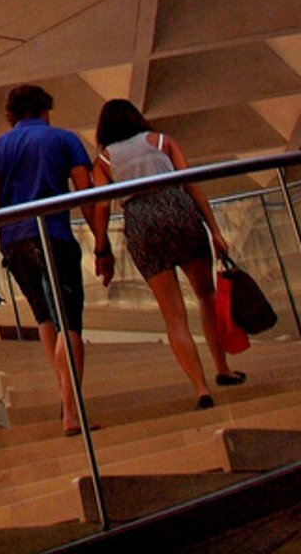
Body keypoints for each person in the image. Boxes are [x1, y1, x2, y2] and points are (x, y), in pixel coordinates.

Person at [0, 83, 113, 436]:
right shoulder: (64, 139)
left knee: (45, 321)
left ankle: (65, 402)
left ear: (12, 114)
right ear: (45, 109)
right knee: (71, 324)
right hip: (54, 236)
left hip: (13, 243)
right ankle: (72, 412)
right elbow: (86, 193)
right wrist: (101, 242)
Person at [91, 97, 243, 409]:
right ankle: (223, 369)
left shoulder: (104, 160)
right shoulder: (162, 141)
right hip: (178, 209)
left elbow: (103, 206)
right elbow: (190, 184)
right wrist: (214, 230)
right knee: (205, 295)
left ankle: (200, 388)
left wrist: (101, 248)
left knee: (173, 315)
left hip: (142, 222)